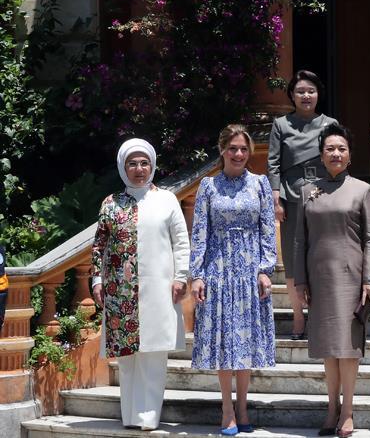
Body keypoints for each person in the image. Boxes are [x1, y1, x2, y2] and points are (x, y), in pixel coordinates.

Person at [90, 138, 189, 431]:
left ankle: (149, 417)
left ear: (152, 165)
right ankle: (131, 416)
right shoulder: (110, 203)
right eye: (132, 163)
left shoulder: (167, 200)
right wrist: (97, 279)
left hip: (159, 288)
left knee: (153, 354)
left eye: (144, 163)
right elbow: (99, 246)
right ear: (123, 167)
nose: (139, 169)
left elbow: (181, 242)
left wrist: (181, 276)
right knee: (127, 357)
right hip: (120, 292)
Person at [190, 125, 277, 436]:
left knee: (245, 340)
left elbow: (268, 228)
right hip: (218, 270)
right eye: (233, 148)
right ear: (222, 150)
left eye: (243, 149)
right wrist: (197, 275)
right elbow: (199, 232)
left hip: (250, 270)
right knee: (224, 340)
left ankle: (243, 406)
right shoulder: (208, 186)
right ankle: (227, 408)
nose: (238, 154)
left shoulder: (260, 183)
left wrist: (265, 269)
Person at [294, 123, 370, 438]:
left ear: (350, 155)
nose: (336, 153)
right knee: (328, 347)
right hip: (319, 278)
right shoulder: (307, 191)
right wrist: (300, 280)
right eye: (330, 148)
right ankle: (331, 407)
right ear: (321, 155)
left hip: (351, 278)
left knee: (348, 348)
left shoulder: (362, 190)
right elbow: (300, 240)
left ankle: (347, 411)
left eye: (341, 149)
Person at [268, 69, 337, 340]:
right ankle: (298, 316)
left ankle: (320, 315)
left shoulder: (330, 123)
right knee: (294, 260)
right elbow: (273, 163)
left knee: (322, 257)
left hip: (323, 195)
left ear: (318, 94)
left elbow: (338, 157)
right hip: (292, 197)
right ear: (292, 96)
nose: (306, 96)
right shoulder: (281, 125)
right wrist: (276, 197)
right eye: (300, 92)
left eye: (311, 91)